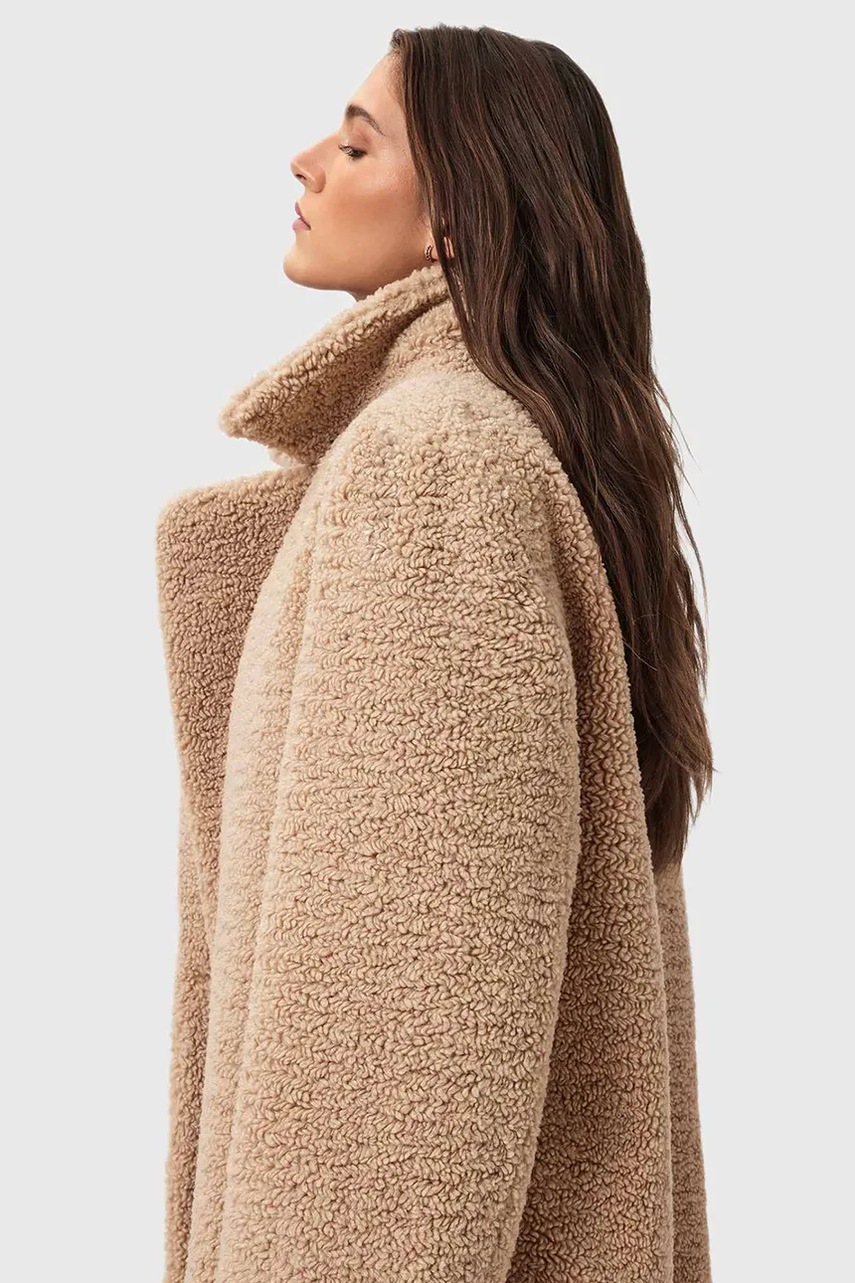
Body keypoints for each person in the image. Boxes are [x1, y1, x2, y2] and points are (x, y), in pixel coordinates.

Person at [155, 24, 714, 1283]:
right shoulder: (496, 452)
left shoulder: (436, 470)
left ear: (457, 219)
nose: (306, 160)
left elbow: (402, 1046)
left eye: (358, 145)